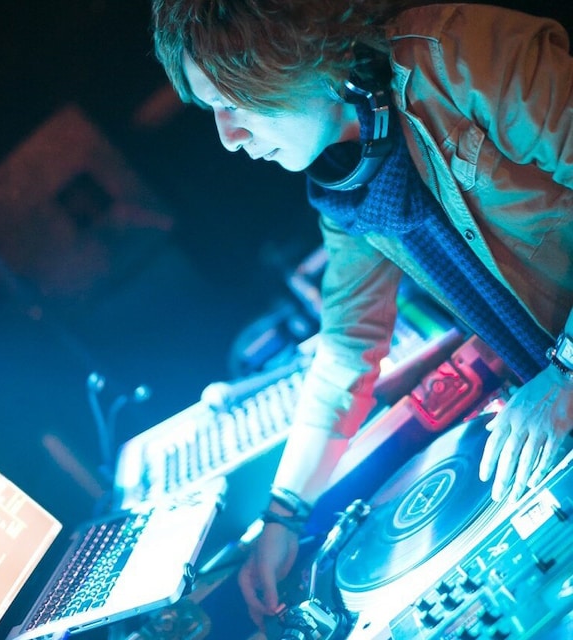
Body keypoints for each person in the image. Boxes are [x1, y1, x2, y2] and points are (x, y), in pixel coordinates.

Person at [150, 0, 573, 629]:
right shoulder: (349, 182)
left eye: (233, 101)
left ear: (299, 54)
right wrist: (283, 516)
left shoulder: (460, 58)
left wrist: (565, 370)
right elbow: (348, 347)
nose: (227, 137)